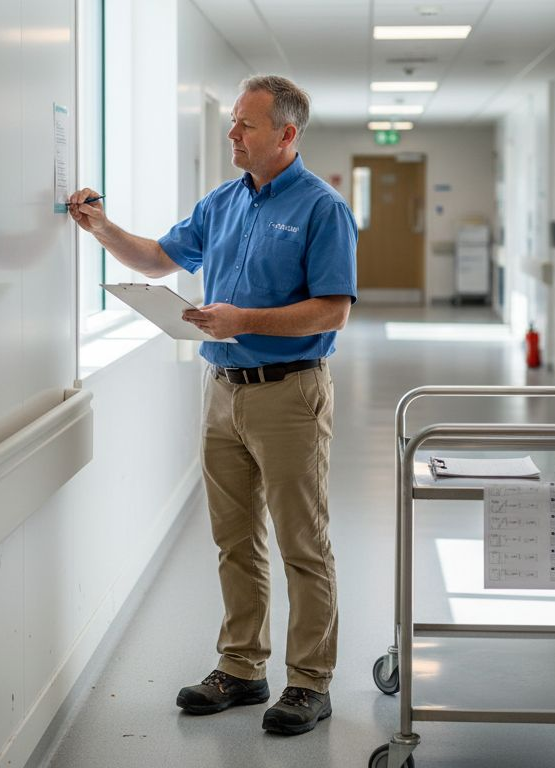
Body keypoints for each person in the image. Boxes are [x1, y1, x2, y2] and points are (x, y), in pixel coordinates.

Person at [69, 75, 357, 736]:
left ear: (286, 135)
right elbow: (157, 260)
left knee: (301, 544)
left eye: (246, 126)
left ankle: (310, 681)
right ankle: (242, 666)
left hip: (291, 393)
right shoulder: (224, 202)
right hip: (224, 393)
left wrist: (244, 319)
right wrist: (100, 226)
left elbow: (333, 309)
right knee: (234, 540)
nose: (233, 134)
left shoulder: (321, 208)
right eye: (233, 122)